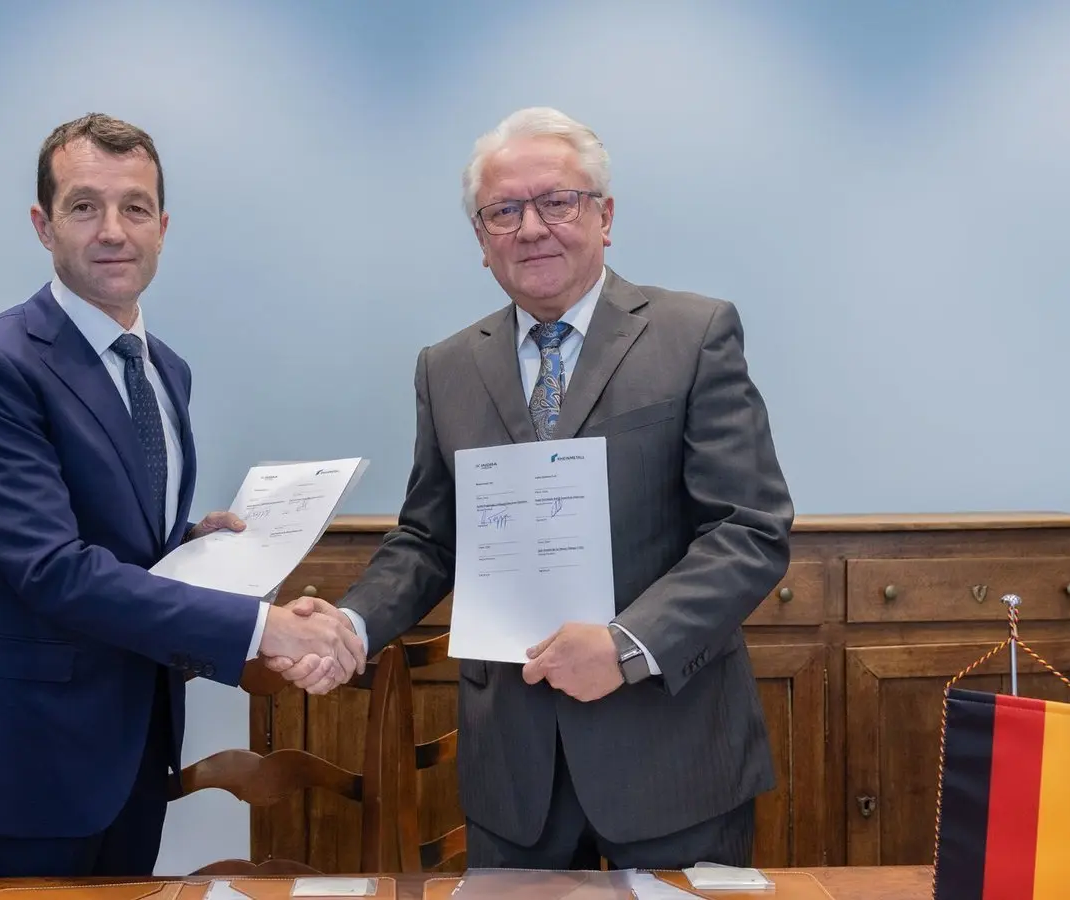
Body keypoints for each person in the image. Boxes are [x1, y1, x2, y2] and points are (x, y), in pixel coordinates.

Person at [274, 107, 794, 870]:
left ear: (604, 217)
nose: (531, 228)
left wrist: (625, 646)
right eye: (504, 211)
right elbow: (429, 539)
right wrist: (351, 626)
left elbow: (748, 530)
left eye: (557, 202)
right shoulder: (447, 368)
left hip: (671, 759)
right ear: (481, 239)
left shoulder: (694, 334)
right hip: (514, 777)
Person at [0, 112, 365, 878]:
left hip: (132, 750)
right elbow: (52, 568)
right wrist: (264, 629)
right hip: (21, 765)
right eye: (85, 207)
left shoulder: (164, 369)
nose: (113, 231)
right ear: (44, 225)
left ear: (163, 227)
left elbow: (116, 538)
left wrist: (190, 543)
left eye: (135, 207)